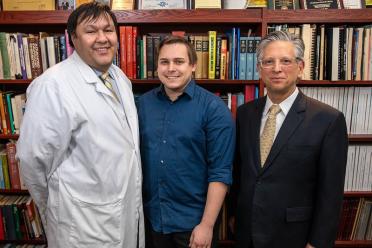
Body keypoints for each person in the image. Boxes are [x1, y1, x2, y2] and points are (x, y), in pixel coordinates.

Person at [16, 2, 144, 248]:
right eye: (91, 31)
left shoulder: (120, 79)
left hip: (122, 214)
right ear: (73, 38)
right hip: (80, 225)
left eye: (108, 30)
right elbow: (33, 161)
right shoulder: (53, 86)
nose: (102, 38)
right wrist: (56, 206)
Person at [232, 31, 348, 248]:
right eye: (268, 62)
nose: (276, 68)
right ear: (259, 69)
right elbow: (239, 172)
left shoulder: (328, 120)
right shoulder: (245, 114)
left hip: (295, 236)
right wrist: (233, 216)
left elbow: (331, 192)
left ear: (300, 67)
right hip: (247, 233)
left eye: (286, 61)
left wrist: (318, 243)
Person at [137, 36, 235, 248]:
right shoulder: (141, 105)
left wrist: (207, 226)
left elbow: (220, 172)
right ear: (157, 66)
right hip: (151, 221)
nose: (171, 68)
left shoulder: (214, 109)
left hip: (193, 225)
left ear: (193, 66)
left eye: (179, 62)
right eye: (164, 62)